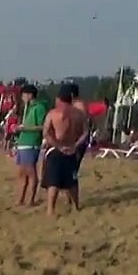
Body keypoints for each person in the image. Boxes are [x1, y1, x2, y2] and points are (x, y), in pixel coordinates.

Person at [40, 85, 86, 216]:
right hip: (71, 149)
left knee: (53, 181)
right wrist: (75, 145)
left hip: (56, 149)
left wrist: (58, 145)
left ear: (59, 98)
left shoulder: (53, 113)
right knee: (72, 181)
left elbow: (46, 133)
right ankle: (76, 207)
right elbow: (85, 133)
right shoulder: (79, 114)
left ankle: (50, 210)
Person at [13, 85, 48, 208]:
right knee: (22, 173)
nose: (22, 98)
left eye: (23, 95)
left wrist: (25, 128)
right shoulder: (28, 108)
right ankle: (21, 198)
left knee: (31, 172)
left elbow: (42, 126)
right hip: (23, 142)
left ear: (29, 95)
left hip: (31, 142)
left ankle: (31, 199)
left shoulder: (39, 108)